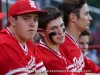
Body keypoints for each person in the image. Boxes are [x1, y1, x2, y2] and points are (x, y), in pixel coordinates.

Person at [0, 0, 48, 75]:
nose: (33, 24)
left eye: (35, 19)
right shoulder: (4, 44)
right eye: (26, 18)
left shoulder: (27, 41)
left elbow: (43, 73)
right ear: (12, 21)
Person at [59, 0, 100, 74]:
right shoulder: (61, 45)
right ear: (73, 17)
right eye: (86, 14)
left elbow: (93, 68)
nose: (90, 18)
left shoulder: (73, 42)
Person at [37, 6, 74, 75]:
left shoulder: (55, 47)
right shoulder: (49, 60)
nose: (60, 32)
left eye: (62, 25)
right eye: (54, 28)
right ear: (42, 32)